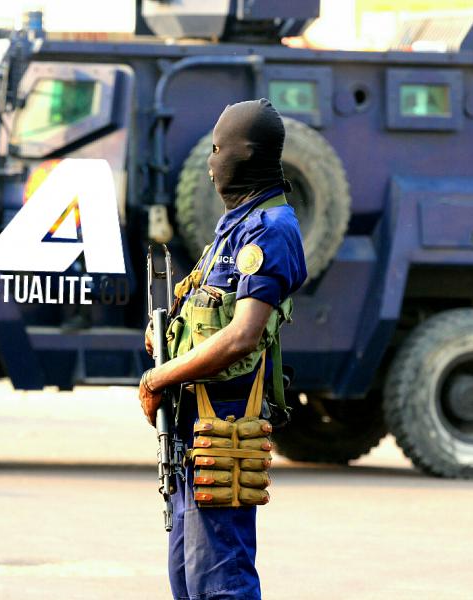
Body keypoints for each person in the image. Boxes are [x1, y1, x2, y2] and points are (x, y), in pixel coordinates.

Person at [139, 98, 308, 599]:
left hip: (226, 430)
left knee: (220, 584)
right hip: (193, 432)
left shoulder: (270, 230)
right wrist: (166, 338)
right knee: (187, 580)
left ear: (247, 154)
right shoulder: (234, 227)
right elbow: (208, 317)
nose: (210, 163)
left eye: (217, 150)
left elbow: (241, 336)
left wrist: (157, 379)